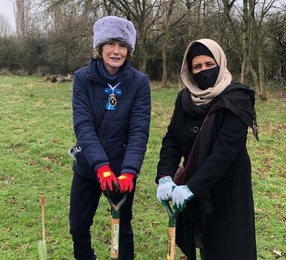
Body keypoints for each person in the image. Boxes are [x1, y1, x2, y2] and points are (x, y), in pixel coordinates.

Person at [155, 38, 258, 260]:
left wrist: (192, 187)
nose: (204, 71)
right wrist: (164, 175)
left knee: (231, 249)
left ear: (220, 63)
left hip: (227, 190)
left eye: (209, 65)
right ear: (189, 70)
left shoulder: (237, 98)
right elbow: (172, 137)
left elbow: (225, 152)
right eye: (197, 67)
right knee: (202, 245)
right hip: (194, 190)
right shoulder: (184, 99)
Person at [69, 16, 151, 260]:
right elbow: (83, 126)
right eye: (111, 44)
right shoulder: (82, 78)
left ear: (129, 50)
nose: (116, 51)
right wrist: (100, 167)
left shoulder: (139, 82)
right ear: (100, 47)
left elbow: (139, 130)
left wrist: (129, 171)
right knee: (78, 228)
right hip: (88, 168)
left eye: (123, 45)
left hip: (121, 172)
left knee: (123, 230)